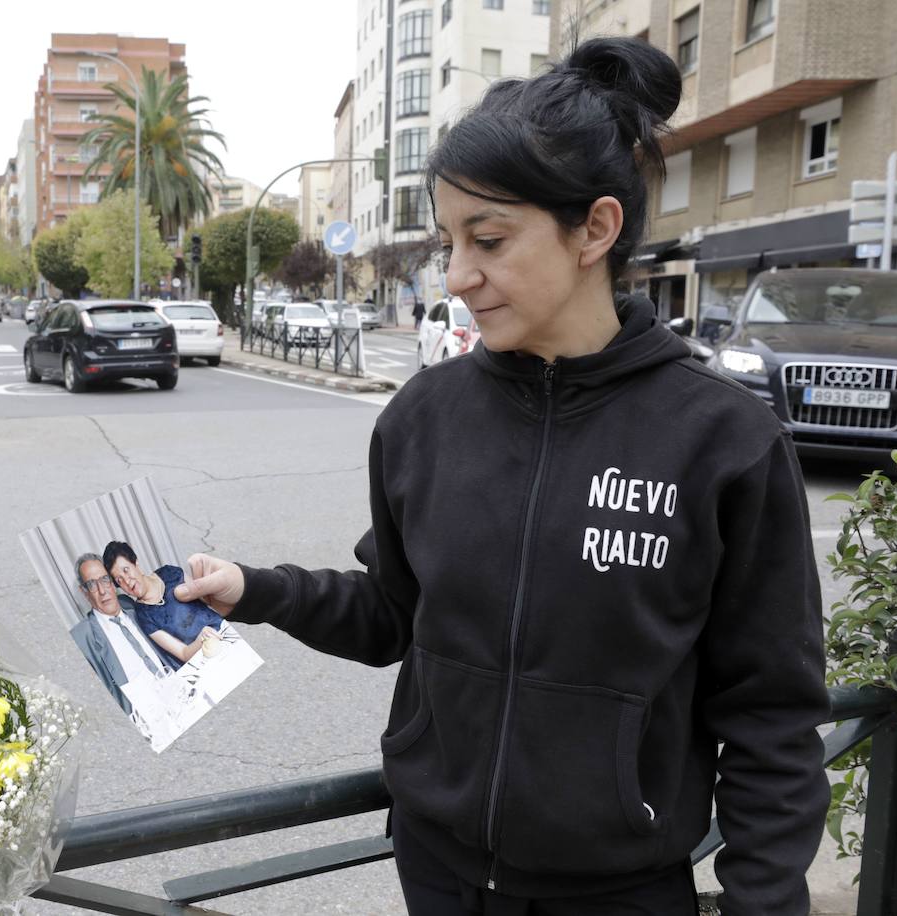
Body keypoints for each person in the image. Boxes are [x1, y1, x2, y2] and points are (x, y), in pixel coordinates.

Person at [174, 37, 827, 916]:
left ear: (595, 228)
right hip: (437, 871)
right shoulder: (423, 417)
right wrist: (255, 589)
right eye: (449, 241)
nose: (456, 276)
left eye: (488, 239)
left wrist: (764, 903)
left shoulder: (724, 438)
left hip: (622, 891)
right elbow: (396, 614)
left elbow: (771, 715)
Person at [68, 553, 179, 722]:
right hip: (147, 719)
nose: (102, 590)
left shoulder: (131, 604)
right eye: (92, 584)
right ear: (84, 591)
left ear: (113, 582)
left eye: (105, 579)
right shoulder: (81, 637)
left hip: (178, 690)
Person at [102, 540, 224, 669]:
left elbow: (208, 601)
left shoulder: (171, 574)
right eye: (119, 580)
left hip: (225, 634)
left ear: (136, 564)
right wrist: (202, 638)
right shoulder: (144, 615)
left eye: (126, 570)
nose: (126, 581)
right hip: (202, 661)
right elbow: (183, 653)